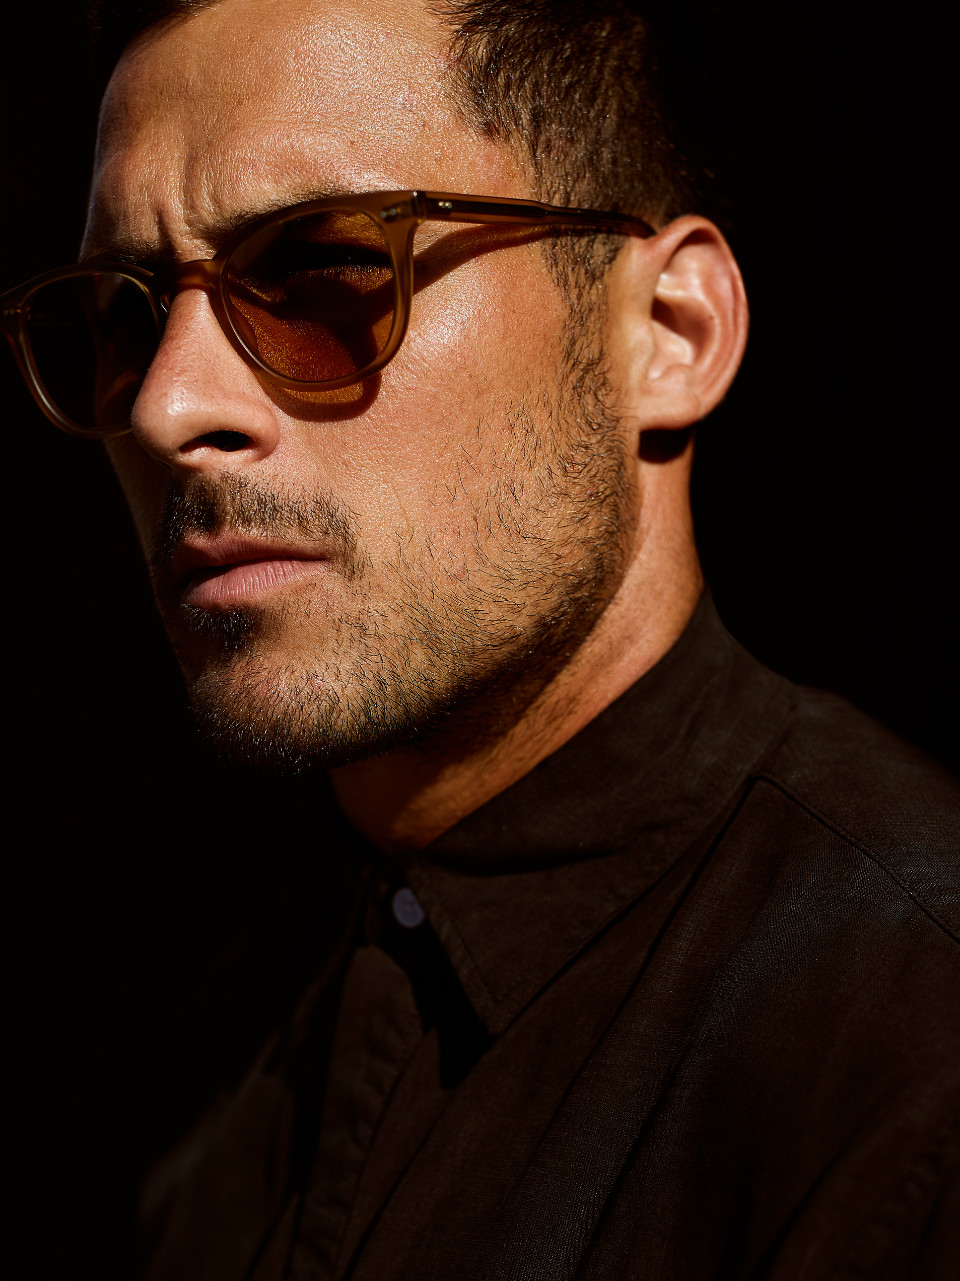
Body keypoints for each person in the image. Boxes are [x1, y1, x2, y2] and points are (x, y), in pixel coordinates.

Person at [3, 0, 957, 1278]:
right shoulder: (200, 1039)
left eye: (323, 269)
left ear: (668, 335)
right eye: (124, 316)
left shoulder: (906, 1048)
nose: (169, 405)